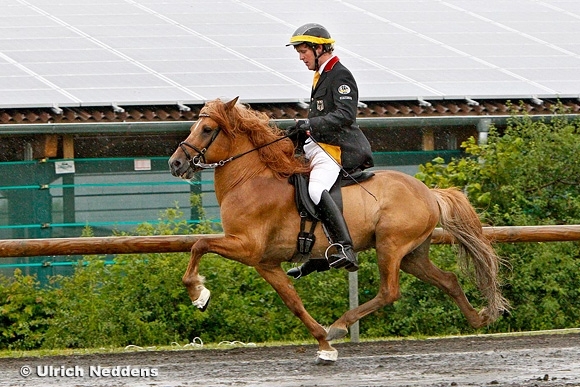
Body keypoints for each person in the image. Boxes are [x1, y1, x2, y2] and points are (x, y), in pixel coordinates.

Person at [285, 23, 374, 279]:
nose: (301, 58)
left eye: (303, 52)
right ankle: (317, 255)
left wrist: (310, 123)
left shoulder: (340, 75)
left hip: (336, 149)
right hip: (318, 144)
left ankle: (345, 248)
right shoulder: (322, 74)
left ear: (319, 48)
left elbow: (345, 115)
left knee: (315, 189)